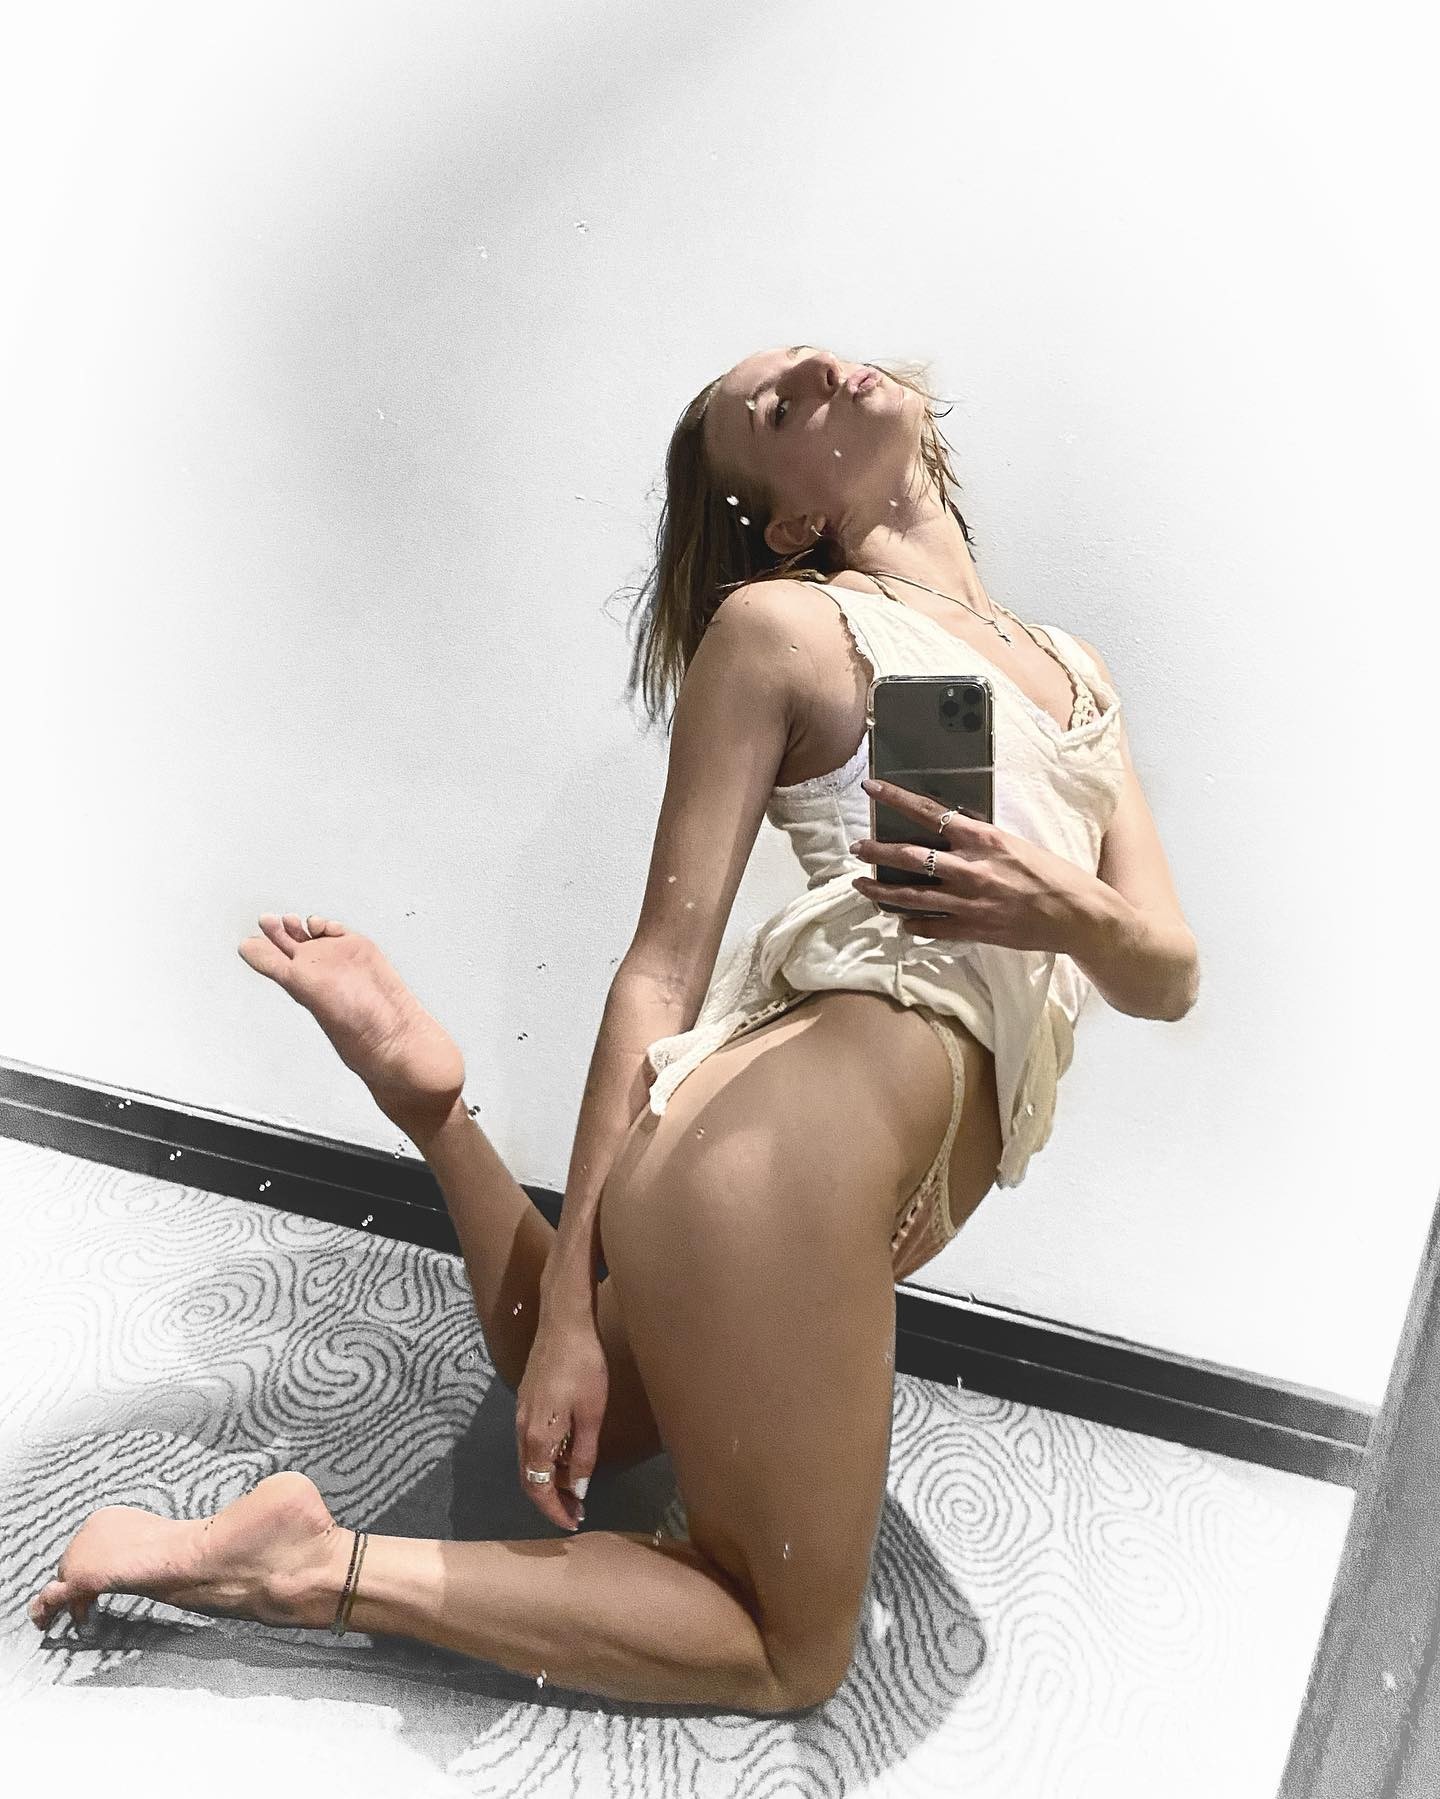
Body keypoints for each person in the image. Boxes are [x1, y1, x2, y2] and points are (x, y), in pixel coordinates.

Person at [28, 345, 1198, 1715]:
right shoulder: (789, 627)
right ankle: (312, 1569)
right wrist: (575, 1316)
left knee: (618, 1412)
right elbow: (660, 969)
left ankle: (433, 1110)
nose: (824, 367)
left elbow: (1165, 976)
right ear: (792, 522)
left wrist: (1069, 909)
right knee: (787, 1652)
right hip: (786, 1147)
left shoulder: (1072, 670)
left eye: (817, 356)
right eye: (779, 404)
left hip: (803, 1162)